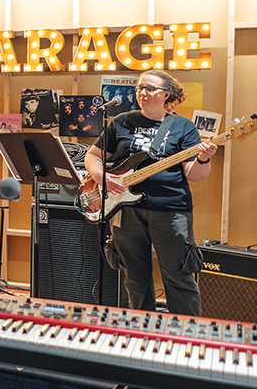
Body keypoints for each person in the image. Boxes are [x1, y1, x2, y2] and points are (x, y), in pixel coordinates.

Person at [84, 70, 217, 316]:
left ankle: (187, 336)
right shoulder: (122, 121)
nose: (143, 93)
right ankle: (142, 334)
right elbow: (92, 156)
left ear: (166, 94)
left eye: (150, 88)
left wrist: (203, 158)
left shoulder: (182, 126)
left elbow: (193, 173)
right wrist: (101, 176)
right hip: (124, 210)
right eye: (140, 88)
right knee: (134, 278)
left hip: (170, 210)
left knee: (178, 277)